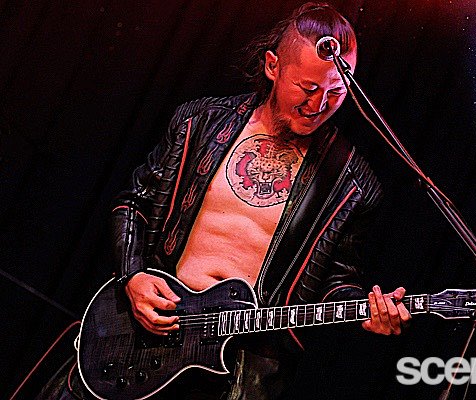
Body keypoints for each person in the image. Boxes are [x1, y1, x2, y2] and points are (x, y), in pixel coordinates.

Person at [39, 3, 411, 399]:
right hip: (146, 331)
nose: (318, 106)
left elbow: (336, 281)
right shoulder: (199, 122)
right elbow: (134, 203)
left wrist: (369, 309)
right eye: (307, 88)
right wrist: (133, 276)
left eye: (335, 92)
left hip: (242, 365)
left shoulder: (352, 183)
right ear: (273, 66)